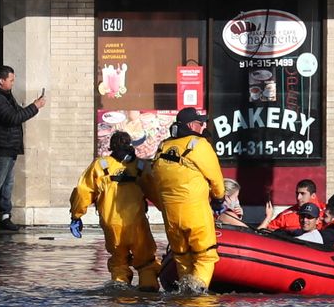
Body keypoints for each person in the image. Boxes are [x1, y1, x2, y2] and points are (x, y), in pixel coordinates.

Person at [69, 131, 161, 291]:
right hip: (136, 223)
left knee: (119, 262)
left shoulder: (100, 166)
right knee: (146, 261)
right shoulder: (140, 166)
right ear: (130, 145)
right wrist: (167, 211)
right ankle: (149, 290)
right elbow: (156, 192)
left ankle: (120, 292)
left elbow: (82, 192)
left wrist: (76, 216)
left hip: (111, 224)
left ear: (111, 146)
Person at [150, 107, 224, 292]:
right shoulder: (199, 145)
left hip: (171, 217)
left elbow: (156, 181)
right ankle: (197, 300)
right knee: (205, 256)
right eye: (201, 123)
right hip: (195, 213)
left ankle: (183, 297)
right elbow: (216, 179)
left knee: (182, 256)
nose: (204, 126)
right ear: (192, 125)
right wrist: (219, 199)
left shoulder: (163, 147)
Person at [0, 65, 46, 231]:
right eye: (11, 80)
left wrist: (32, 106)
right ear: (1, 81)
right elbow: (13, 118)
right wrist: (35, 107)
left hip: (9, 147)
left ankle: (5, 216)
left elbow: (17, 113)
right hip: (0, 147)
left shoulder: (6, 95)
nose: (12, 83)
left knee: (7, 185)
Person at [258, 178, 326, 232]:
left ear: (313, 195)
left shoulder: (326, 212)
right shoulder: (286, 215)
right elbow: (264, 231)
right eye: (297, 193)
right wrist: (268, 217)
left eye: (303, 194)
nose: (298, 198)